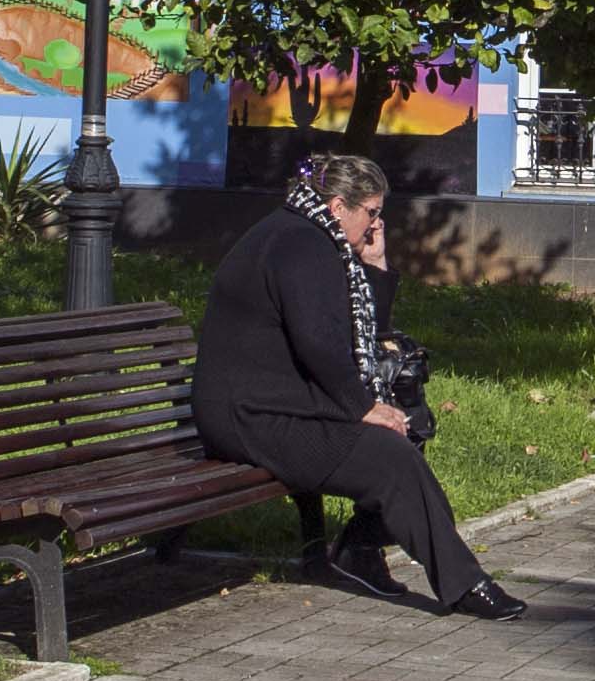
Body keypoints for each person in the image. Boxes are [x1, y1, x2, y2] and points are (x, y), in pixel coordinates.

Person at [194, 153, 523, 620]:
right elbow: (319, 343)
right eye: (370, 211)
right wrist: (361, 406)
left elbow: (360, 340)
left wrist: (375, 264)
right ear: (337, 207)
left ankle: (362, 550)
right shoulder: (300, 245)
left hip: (278, 402)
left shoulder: (309, 234)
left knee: (404, 433)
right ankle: (462, 583)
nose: (376, 223)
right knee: (391, 456)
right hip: (249, 416)